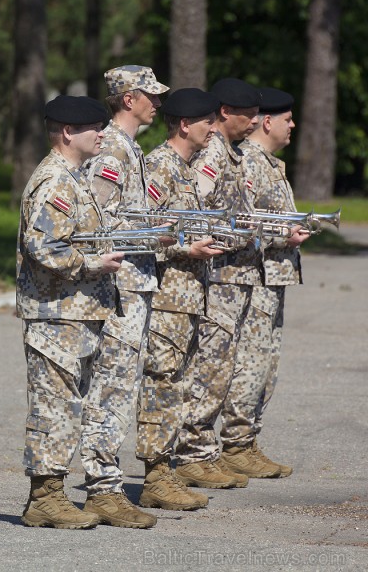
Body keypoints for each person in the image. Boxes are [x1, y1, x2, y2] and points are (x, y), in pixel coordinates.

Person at [17, 95, 125, 529]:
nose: (102, 134)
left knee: (68, 405)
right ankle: (44, 498)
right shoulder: (55, 181)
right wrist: (92, 263)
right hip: (55, 314)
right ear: (67, 132)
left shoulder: (75, 177)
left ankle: (53, 493)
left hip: (76, 313)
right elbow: (42, 246)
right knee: (53, 406)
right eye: (94, 128)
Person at [79, 65, 170, 529]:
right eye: (150, 95)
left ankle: (107, 483)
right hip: (120, 287)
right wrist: (156, 233)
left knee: (121, 385)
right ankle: (102, 488)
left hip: (136, 283)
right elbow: (99, 220)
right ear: (128, 99)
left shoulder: (127, 147)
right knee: (110, 388)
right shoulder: (112, 147)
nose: (157, 103)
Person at [135, 87, 226, 511]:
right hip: (168, 298)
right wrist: (185, 250)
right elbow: (141, 233)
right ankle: (155, 476)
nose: (214, 128)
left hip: (188, 298)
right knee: (161, 384)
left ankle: (166, 469)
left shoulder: (186, 168)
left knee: (176, 385)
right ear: (185, 124)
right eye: (208, 121)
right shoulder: (159, 167)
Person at [174, 78, 266, 486]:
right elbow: (198, 210)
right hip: (217, 277)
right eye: (248, 114)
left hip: (233, 277)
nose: (255, 121)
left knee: (221, 368)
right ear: (226, 112)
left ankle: (205, 450)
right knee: (208, 368)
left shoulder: (232, 152)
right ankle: (193, 452)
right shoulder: (211, 152)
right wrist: (229, 234)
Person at [219, 87, 310, 477]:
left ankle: (247, 439)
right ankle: (235, 444)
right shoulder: (250, 163)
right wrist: (282, 235)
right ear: (268, 122)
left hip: (272, 276)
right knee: (251, 364)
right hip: (253, 277)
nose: (293, 126)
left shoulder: (270, 163)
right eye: (288, 119)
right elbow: (240, 222)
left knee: (266, 364)